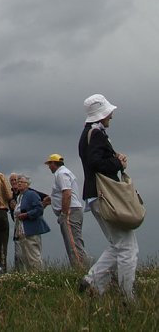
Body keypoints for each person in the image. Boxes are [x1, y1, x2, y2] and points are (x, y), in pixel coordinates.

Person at [78, 94, 138, 301]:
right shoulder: (96, 134)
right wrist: (118, 164)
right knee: (128, 248)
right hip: (104, 196)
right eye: (108, 112)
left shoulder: (89, 133)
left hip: (95, 196)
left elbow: (94, 160)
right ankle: (128, 297)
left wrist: (113, 157)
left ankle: (93, 283)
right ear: (101, 114)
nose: (111, 115)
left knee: (118, 244)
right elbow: (96, 163)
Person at [43, 153, 89, 269]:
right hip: (73, 210)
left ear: (54, 163)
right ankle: (84, 268)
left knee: (73, 243)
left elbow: (67, 193)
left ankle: (80, 269)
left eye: (50, 164)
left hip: (70, 212)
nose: (49, 167)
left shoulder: (61, 174)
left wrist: (64, 213)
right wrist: (52, 199)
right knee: (75, 241)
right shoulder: (65, 172)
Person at [13, 175, 50, 271]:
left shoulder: (31, 194)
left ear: (27, 184)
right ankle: (32, 276)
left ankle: (38, 275)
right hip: (22, 231)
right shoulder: (19, 197)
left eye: (22, 182)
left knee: (33, 256)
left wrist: (27, 215)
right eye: (18, 181)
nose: (19, 183)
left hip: (31, 230)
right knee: (26, 257)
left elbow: (39, 209)